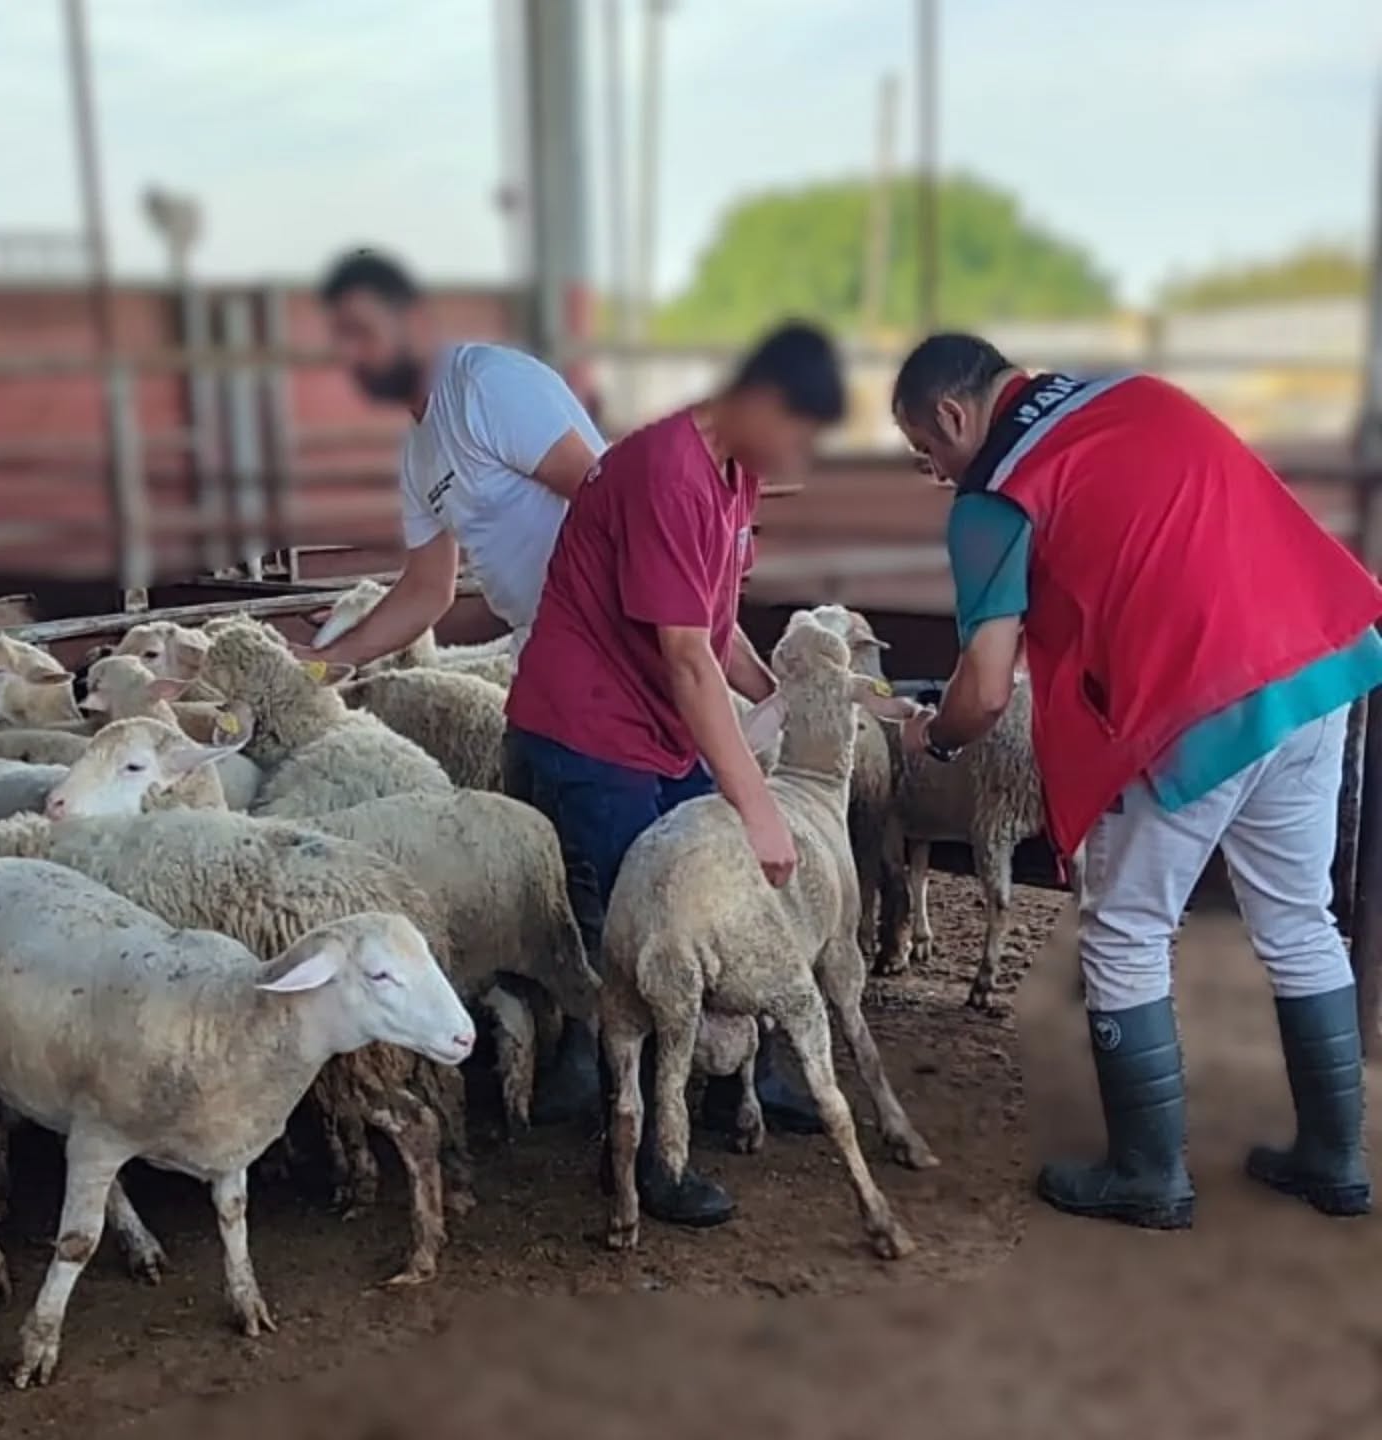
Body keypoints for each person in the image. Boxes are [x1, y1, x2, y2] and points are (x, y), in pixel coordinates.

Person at [890, 333, 1382, 1231]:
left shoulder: (994, 499)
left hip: (1196, 699)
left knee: (1123, 931)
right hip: (1315, 664)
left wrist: (936, 739)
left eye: (929, 453)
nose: (936, 474)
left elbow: (987, 689)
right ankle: (1335, 1158)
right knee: (1301, 918)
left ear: (956, 416)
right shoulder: (1140, 397)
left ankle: (1148, 1173)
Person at [504, 322, 848, 1229]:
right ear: (763, 403)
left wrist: (775, 698)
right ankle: (651, 1158)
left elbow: (718, 630)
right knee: (657, 946)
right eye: (802, 433)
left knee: (713, 904)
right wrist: (759, 802)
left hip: (654, 732)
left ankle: (748, 1081)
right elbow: (689, 658)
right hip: (592, 733)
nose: (801, 456)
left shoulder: (731, 476)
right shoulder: (668, 472)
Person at [301, 249, 604, 671]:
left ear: (415, 323)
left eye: (364, 333)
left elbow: (603, 495)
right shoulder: (419, 455)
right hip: (544, 645)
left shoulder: (485, 385)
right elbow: (427, 589)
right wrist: (322, 663)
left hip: (603, 638)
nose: (352, 356)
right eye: (342, 341)